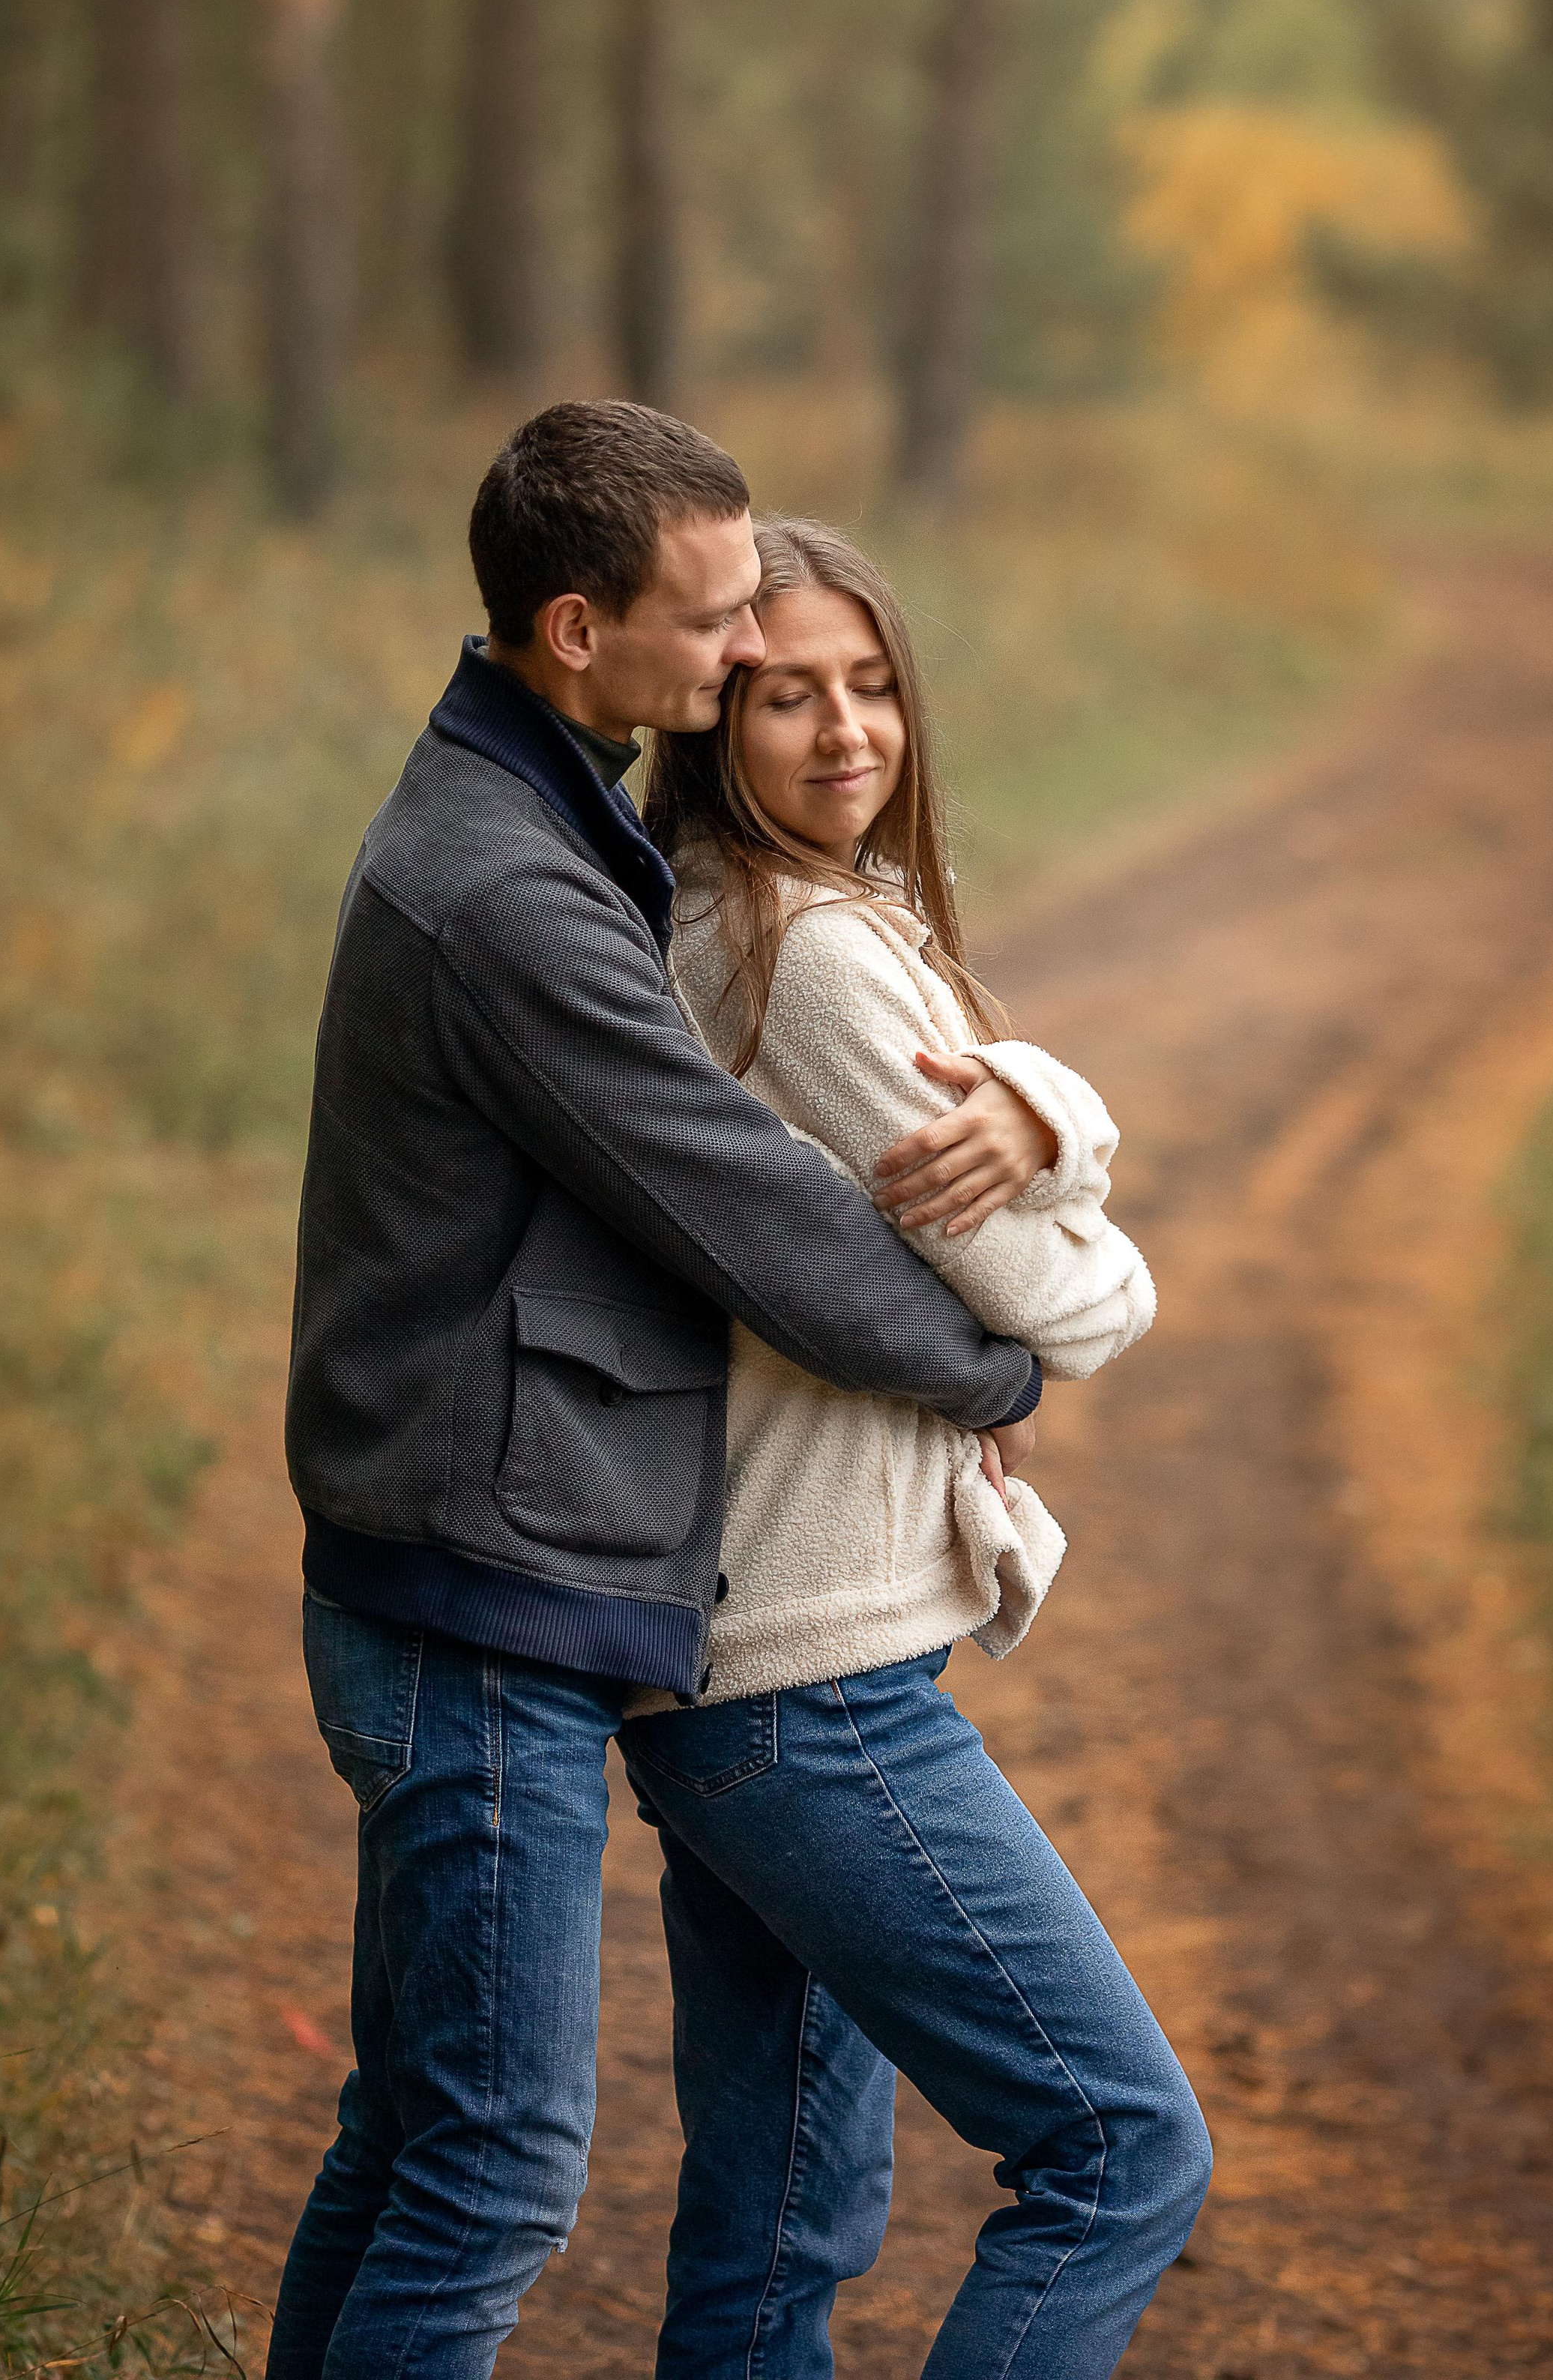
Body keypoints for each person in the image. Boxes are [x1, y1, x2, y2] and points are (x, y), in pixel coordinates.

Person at [268, 405, 1058, 2380]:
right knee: (499, 2172)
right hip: (473, 1599)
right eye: (709, 624)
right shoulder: (510, 889)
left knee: (414, 2141)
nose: (736, 661)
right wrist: (990, 1358)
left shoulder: (534, 798)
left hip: (454, 1567)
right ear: (571, 626)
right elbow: (750, 1208)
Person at [623, 515, 1211, 2379]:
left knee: (776, 2224)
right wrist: (1064, 1172)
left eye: (869, 684)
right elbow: (1083, 1312)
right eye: (785, 694)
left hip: (733, 1667)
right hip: (814, 1689)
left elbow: (1006, 1233)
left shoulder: (770, 914)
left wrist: (1048, 1112)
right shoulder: (807, 957)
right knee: (1118, 2150)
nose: (844, 732)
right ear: (715, 719)